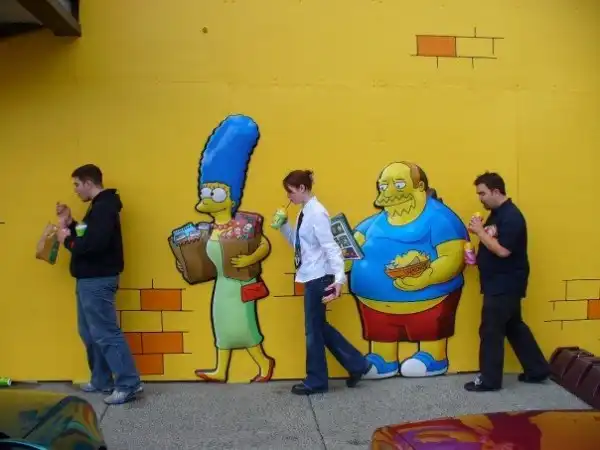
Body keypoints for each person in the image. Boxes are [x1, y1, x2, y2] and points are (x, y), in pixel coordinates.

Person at [276, 169, 373, 395]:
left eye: (290, 191)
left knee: (313, 330)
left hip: (319, 277)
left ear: (302, 188)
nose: (288, 196)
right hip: (312, 275)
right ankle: (357, 364)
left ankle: (317, 380)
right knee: (318, 326)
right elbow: (299, 246)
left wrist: (339, 279)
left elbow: (331, 247)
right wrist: (283, 226)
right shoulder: (304, 212)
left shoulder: (317, 213)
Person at [56, 164, 142, 405]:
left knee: (105, 332)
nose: (75, 190)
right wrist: (70, 224)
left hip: (97, 280)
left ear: (89, 183)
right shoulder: (98, 207)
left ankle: (128, 384)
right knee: (89, 332)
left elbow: (94, 245)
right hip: (88, 280)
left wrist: (66, 241)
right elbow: (88, 235)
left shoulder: (104, 207)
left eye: (77, 184)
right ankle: (102, 380)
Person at [465, 171, 550, 392]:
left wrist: (480, 232)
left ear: (496, 191)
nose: (480, 198)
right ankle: (537, 369)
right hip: (498, 283)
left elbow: (503, 251)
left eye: (482, 193)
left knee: (491, 330)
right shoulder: (496, 215)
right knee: (514, 326)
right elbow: (492, 243)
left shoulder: (512, 216)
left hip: (505, 284)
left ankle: (489, 380)